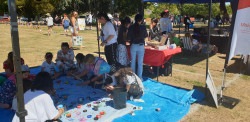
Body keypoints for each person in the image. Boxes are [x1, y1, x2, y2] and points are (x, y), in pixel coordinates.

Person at [127, 14, 148, 79]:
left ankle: (132, 77)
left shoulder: (131, 27)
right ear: (141, 20)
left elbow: (128, 38)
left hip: (133, 45)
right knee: (140, 62)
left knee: (132, 61)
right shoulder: (143, 27)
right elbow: (145, 36)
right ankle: (140, 77)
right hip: (141, 45)